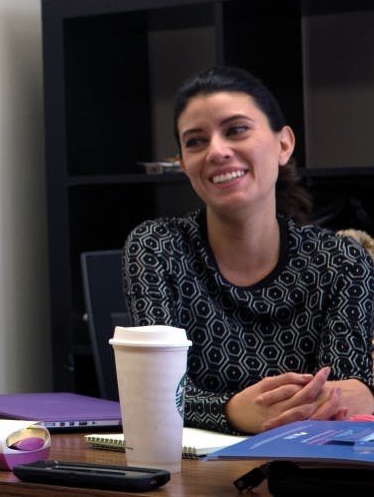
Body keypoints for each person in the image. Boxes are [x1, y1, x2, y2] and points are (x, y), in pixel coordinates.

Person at [122, 65, 374, 435]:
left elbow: (347, 394)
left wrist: (351, 396)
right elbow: (156, 394)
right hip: (193, 473)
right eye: (195, 141)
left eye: (236, 130)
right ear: (184, 164)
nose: (217, 151)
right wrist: (233, 411)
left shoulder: (341, 261)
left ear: (283, 144)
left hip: (310, 467)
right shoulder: (157, 248)